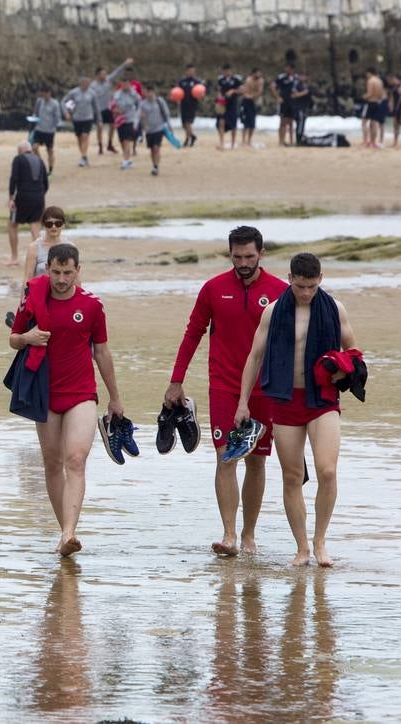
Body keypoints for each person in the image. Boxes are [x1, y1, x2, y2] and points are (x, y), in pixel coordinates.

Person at [165, 226, 287, 556]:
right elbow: (192, 334)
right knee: (225, 457)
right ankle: (229, 534)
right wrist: (176, 380)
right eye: (237, 257)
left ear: (262, 254)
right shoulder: (213, 289)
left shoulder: (280, 291)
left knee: (257, 463)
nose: (243, 263)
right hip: (223, 386)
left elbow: (293, 343)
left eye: (249, 256)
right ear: (229, 254)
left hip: (265, 389)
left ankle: (248, 535)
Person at [237, 252, 359, 568]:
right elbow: (253, 357)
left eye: (311, 286)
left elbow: (354, 352)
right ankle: (302, 547)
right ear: (290, 279)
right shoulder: (273, 312)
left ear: (320, 279)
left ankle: (320, 543)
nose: (306, 292)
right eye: (300, 286)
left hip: (322, 400)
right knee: (292, 477)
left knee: (327, 470)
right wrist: (242, 403)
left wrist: (344, 370)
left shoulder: (335, 309)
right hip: (286, 400)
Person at [9, 244, 125, 557]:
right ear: (48, 270)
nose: (61, 279)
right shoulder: (32, 299)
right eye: (56, 272)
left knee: (75, 459)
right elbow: (13, 339)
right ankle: (65, 533)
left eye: (68, 272)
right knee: (52, 462)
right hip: (44, 392)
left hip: (81, 393)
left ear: (78, 270)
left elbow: (101, 352)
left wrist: (114, 397)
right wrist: (29, 338)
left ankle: (69, 531)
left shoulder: (91, 306)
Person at [7, 141, 48, 266]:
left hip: (23, 197)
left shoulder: (18, 159)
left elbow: (14, 178)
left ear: (20, 151)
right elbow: (46, 184)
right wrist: (39, 194)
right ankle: (39, 259)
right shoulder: (40, 161)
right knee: (35, 227)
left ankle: (14, 258)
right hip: (39, 197)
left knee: (12, 224)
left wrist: (11, 197)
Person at [89, 59, 131, 155]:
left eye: (105, 74)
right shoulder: (93, 86)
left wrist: (125, 64)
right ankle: (100, 146)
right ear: (98, 75)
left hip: (109, 108)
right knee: (100, 127)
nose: (104, 75)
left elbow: (117, 72)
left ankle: (109, 144)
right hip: (99, 110)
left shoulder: (108, 80)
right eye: (102, 74)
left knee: (113, 126)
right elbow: (89, 98)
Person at [22, 205, 70, 281]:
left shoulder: (70, 247)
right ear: (43, 225)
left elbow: (75, 277)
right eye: (49, 224)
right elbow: (28, 277)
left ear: (63, 224)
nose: (54, 227)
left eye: (58, 223)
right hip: (40, 291)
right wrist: (24, 292)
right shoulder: (34, 248)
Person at [62, 76, 99, 168]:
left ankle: (84, 156)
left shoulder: (92, 93)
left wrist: (99, 119)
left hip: (88, 117)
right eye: (85, 82)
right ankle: (83, 155)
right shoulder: (74, 92)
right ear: (81, 83)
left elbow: (96, 107)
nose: (87, 84)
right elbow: (64, 101)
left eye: (88, 82)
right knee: (79, 137)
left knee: (85, 136)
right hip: (77, 118)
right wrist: (67, 112)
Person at [138, 84, 171, 176]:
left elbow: (166, 113)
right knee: (152, 149)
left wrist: (169, 125)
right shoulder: (142, 104)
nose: (149, 94)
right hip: (149, 129)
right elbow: (138, 116)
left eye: (151, 92)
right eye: (147, 92)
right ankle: (154, 164)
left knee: (156, 147)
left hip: (159, 128)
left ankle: (156, 166)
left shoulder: (160, 101)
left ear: (153, 92)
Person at [30, 85, 60, 174]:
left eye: (47, 93)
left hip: (49, 131)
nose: (45, 96)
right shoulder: (39, 102)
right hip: (39, 129)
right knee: (34, 147)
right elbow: (35, 113)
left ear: (50, 93)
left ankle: (50, 169)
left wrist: (55, 126)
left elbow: (57, 117)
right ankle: (40, 164)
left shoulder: (55, 104)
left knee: (49, 150)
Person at [111, 79, 140, 170]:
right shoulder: (117, 94)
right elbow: (112, 105)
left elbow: (140, 103)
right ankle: (128, 159)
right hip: (120, 120)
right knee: (122, 140)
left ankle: (125, 160)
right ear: (121, 84)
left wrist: (138, 116)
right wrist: (115, 110)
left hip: (130, 119)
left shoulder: (134, 93)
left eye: (127, 83)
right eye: (123, 83)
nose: (125, 85)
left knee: (127, 140)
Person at [176, 64, 204, 147]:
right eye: (189, 71)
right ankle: (190, 136)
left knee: (188, 122)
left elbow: (201, 92)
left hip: (192, 104)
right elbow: (178, 91)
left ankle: (189, 138)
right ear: (186, 71)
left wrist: (201, 96)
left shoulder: (197, 82)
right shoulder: (182, 81)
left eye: (193, 71)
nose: (191, 72)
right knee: (184, 123)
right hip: (183, 104)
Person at [272, 63, 299, 148]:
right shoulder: (281, 77)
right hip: (284, 102)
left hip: (292, 102)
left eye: (289, 68)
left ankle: (291, 141)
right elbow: (272, 87)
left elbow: (297, 88)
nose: (287, 70)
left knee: (291, 122)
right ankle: (281, 141)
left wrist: (296, 95)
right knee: (283, 122)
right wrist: (277, 97)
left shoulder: (295, 78)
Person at [216, 63, 242, 150]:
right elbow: (219, 90)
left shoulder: (237, 79)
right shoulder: (220, 79)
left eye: (228, 71)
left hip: (233, 103)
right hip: (222, 103)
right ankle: (221, 142)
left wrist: (233, 91)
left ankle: (233, 143)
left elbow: (241, 90)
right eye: (225, 71)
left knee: (233, 124)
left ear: (231, 71)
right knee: (221, 122)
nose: (227, 72)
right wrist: (219, 97)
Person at [361, 68, 386, 149]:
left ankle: (365, 141)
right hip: (377, 103)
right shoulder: (380, 81)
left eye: (367, 74)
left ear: (370, 73)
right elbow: (381, 95)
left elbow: (370, 93)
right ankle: (373, 142)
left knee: (364, 122)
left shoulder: (371, 81)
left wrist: (364, 97)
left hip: (370, 103)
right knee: (374, 123)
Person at [239, 68, 264, 147]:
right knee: (245, 122)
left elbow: (259, 92)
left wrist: (253, 96)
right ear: (253, 73)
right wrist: (250, 95)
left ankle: (249, 140)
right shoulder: (248, 80)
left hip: (254, 102)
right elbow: (245, 92)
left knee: (252, 123)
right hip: (247, 101)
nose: (259, 75)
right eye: (257, 73)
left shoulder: (260, 81)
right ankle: (243, 140)